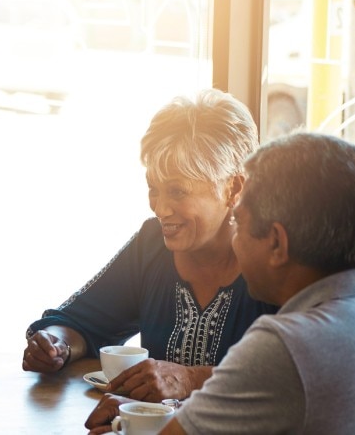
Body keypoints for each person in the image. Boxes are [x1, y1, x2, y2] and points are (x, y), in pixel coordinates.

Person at [92, 133, 355, 434]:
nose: (233, 239)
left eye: (238, 222)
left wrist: (127, 423)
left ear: (276, 244)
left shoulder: (285, 346)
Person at [22, 89, 278, 402]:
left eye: (178, 192)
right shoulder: (153, 243)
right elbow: (78, 320)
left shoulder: (275, 259)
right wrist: (55, 344)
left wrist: (191, 378)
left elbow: (301, 372)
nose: (160, 208)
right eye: (153, 189)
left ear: (233, 188)